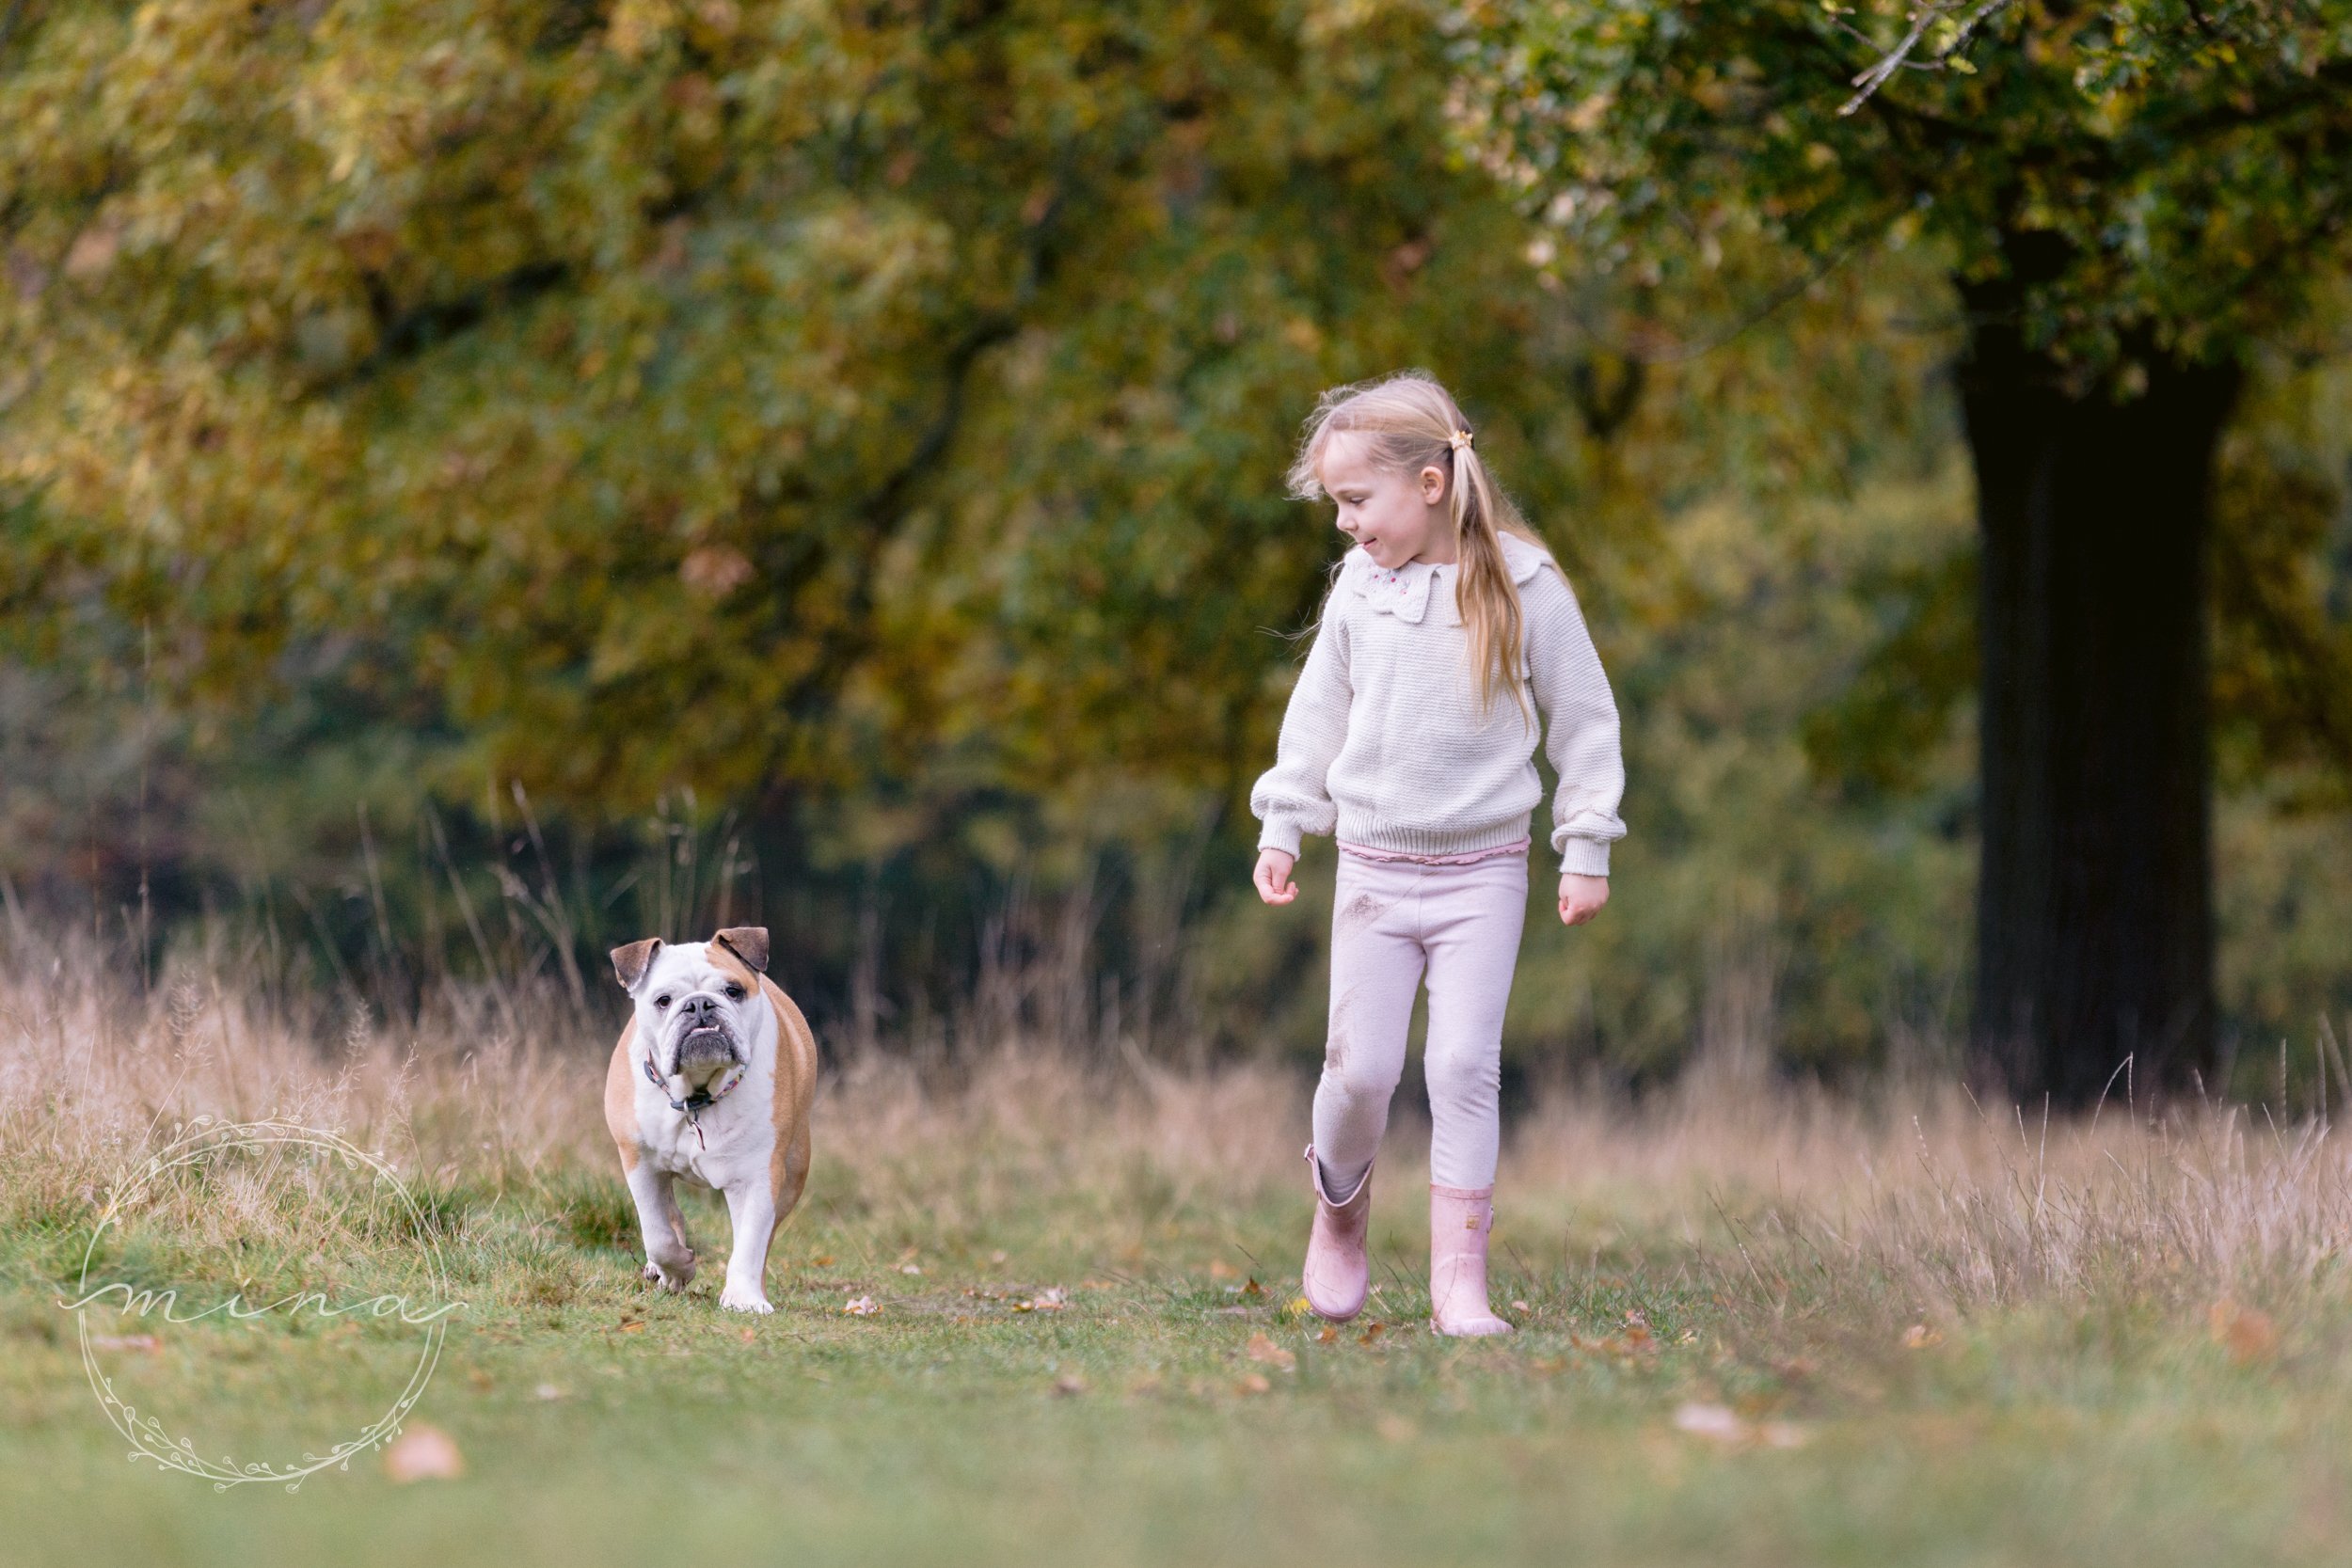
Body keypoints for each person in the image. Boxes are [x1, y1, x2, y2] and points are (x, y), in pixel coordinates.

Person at [1249, 371, 1626, 1337]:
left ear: (1427, 483)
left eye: (1353, 500)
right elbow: (1316, 713)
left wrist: (1585, 843)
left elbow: (1583, 721)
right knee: (1360, 1071)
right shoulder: (1357, 593)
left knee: (1463, 1064)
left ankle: (1461, 1282)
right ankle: (1339, 1216)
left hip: (1484, 869)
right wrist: (1286, 820)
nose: (1343, 522)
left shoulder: (1524, 583)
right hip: (1374, 870)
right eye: (1336, 502)